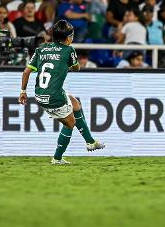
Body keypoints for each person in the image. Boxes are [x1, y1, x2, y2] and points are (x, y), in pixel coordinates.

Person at [18, 19, 105, 165]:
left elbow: (26, 72)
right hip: (54, 96)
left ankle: (90, 142)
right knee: (70, 123)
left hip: (40, 94)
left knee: (75, 104)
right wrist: (67, 65)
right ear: (68, 38)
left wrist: (22, 91)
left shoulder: (41, 49)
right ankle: (57, 158)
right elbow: (76, 68)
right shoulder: (69, 50)